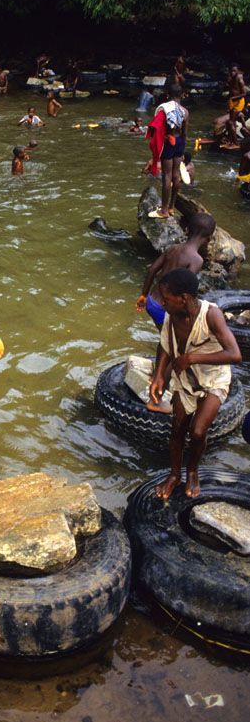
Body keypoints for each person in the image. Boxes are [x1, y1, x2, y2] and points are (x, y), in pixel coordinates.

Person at [149, 268, 241, 499]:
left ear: (184, 298)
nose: (162, 303)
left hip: (213, 379)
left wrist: (192, 358)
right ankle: (174, 475)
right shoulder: (172, 317)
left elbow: (234, 354)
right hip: (185, 381)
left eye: (166, 299)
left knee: (198, 431)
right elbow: (164, 346)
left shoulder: (211, 315)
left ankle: (192, 472)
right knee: (178, 429)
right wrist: (159, 376)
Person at [136, 213, 216, 330]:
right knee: (171, 340)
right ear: (209, 239)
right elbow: (186, 290)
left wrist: (143, 295)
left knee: (164, 334)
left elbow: (152, 270)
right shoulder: (197, 260)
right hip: (164, 308)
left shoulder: (173, 248)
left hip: (151, 301)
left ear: (187, 230)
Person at [148, 84, 188, 218]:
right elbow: (184, 133)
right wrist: (182, 151)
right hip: (179, 142)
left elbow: (156, 127)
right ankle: (171, 207)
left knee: (167, 176)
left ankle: (163, 211)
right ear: (181, 95)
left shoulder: (164, 109)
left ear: (167, 95)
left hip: (169, 142)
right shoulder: (185, 111)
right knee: (176, 175)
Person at [226, 65, 246, 147]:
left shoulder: (240, 80)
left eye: (234, 71)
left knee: (230, 122)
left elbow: (244, 93)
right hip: (232, 101)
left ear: (237, 71)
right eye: (231, 71)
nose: (232, 73)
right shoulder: (230, 78)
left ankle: (236, 143)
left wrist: (233, 98)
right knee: (232, 122)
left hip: (239, 102)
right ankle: (231, 141)